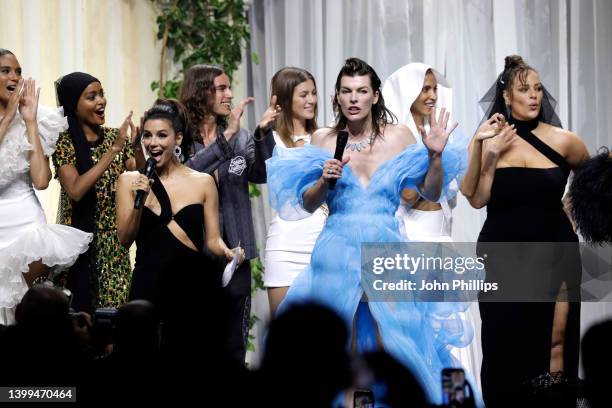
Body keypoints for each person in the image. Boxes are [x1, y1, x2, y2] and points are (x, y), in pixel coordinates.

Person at [266, 57, 469, 403]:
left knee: (394, 340)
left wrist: (434, 157)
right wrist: (322, 180)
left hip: (385, 248)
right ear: (337, 97)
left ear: (375, 96)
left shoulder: (399, 136)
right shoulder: (323, 138)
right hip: (336, 249)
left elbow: (430, 192)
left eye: (361, 91)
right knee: (333, 346)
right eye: (346, 91)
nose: (354, 98)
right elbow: (309, 203)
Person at [460, 55, 589, 406]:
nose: (533, 96)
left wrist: (572, 212)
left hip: (556, 251)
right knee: (504, 343)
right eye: (523, 89)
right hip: (502, 255)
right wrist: (487, 152)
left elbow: (595, 183)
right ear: (506, 95)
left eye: (537, 89)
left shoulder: (564, 140)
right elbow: (474, 197)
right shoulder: (487, 138)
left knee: (555, 339)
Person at [116, 98, 241, 360]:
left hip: (189, 288)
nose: (153, 143)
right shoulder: (129, 181)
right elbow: (125, 239)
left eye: (162, 135)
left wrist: (227, 252)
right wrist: (140, 200)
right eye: (148, 136)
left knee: (186, 360)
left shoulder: (203, 182)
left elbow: (212, 240)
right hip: (146, 283)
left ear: (178, 138)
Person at [382, 63, 481, 384]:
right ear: (407, 92)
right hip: (406, 239)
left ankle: (450, 399)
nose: (431, 94)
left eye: (434, 88)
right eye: (424, 88)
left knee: (445, 330)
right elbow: (408, 194)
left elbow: (453, 190)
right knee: (412, 332)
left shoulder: (446, 133)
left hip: (440, 238)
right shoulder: (392, 138)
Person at [180, 64, 276, 364]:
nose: (229, 94)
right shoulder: (181, 136)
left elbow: (259, 173)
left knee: (234, 343)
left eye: (227, 88)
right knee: (196, 342)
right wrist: (225, 139)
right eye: (221, 88)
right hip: (194, 255)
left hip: (236, 253)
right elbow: (186, 175)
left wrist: (262, 135)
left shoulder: (240, 137)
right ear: (201, 92)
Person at [0, 49, 91, 325]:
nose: (15, 77)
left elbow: (41, 181)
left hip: (27, 226)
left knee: (25, 314)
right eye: (6, 71)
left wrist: (28, 121)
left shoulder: (39, 119)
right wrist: (5, 121)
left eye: (18, 71)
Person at [53, 72, 138, 313]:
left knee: (114, 321)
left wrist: (137, 146)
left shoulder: (115, 137)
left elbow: (136, 176)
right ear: (73, 105)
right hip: (78, 246)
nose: (101, 101)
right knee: (81, 322)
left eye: (101, 94)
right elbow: (77, 190)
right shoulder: (63, 142)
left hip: (114, 249)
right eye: (92, 97)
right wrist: (113, 151)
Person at [262, 67, 327, 315]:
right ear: (285, 99)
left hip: (322, 239)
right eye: (303, 95)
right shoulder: (272, 140)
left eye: (313, 93)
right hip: (285, 242)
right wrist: (262, 131)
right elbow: (259, 168)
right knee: (284, 337)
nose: (311, 100)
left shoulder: (326, 137)